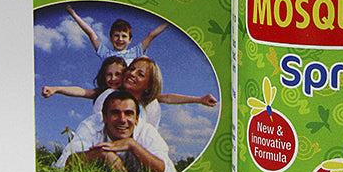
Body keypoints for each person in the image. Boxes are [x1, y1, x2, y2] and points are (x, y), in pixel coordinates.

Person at [42, 54, 217, 124]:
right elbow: (82, 91)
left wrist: (199, 99)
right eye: (109, 75)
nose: (113, 79)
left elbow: (166, 97)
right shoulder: (107, 94)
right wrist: (56, 88)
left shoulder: (146, 99)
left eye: (118, 74)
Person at [54, 90, 176, 172]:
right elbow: (61, 166)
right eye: (115, 113)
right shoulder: (90, 126)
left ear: (137, 119)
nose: (122, 119)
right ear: (105, 118)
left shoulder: (146, 131)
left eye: (128, 113)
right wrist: (102, 153)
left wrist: (132, 145)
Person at [64, 4, 168, 64]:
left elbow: (151, 35)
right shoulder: (105, 53)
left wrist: (168, 22)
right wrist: (73, 13)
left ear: (130, 40)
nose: (120, 39)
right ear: (110, 38)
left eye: (124, 36)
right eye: (116, 35)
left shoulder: (135, 52)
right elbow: (90, 33)